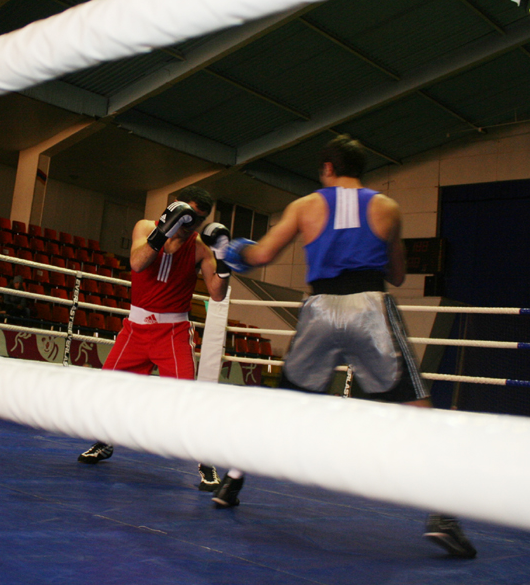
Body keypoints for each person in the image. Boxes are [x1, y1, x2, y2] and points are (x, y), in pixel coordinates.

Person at [215, 134, 476, 559]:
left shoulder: (306, 205)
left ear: (327, 169)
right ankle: (443, 515)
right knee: (417, 410)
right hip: (369, 307)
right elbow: (397, 276)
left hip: (320, 310)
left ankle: (233, 480)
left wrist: (230, 250)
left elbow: (260, 256)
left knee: (283, 405)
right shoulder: (387, 207)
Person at [76, 186, 231, 494]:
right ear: (175, 206)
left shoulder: (200, 247)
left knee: (186, 398)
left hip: (172, 332)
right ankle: (105, 441)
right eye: (188, 215)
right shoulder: (145, 227)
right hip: (135, 329)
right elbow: (137, 263)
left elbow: (217, 293)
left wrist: (225, 261)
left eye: (198, 220)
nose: (191, 224)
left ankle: (206, 459)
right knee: (107, 389)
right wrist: (165, 229)